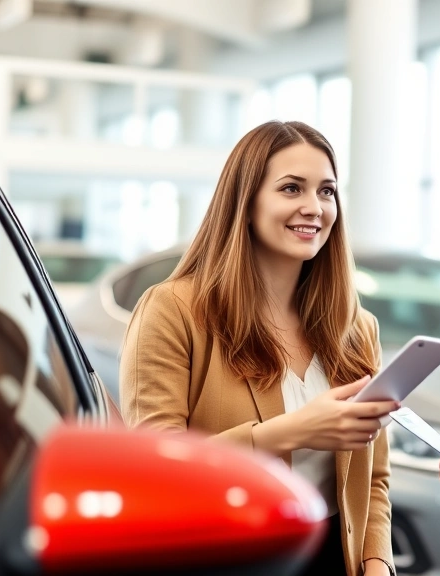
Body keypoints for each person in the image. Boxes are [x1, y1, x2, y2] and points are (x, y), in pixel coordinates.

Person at [120, 121, 397, 576]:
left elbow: (375, 479)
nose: (314, 207)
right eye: (292, 188)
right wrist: (289, 432)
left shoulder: (356, 328)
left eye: (326, 191)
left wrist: (376, 561)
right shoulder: (173, 310)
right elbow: (156, 469)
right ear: (245, 203)